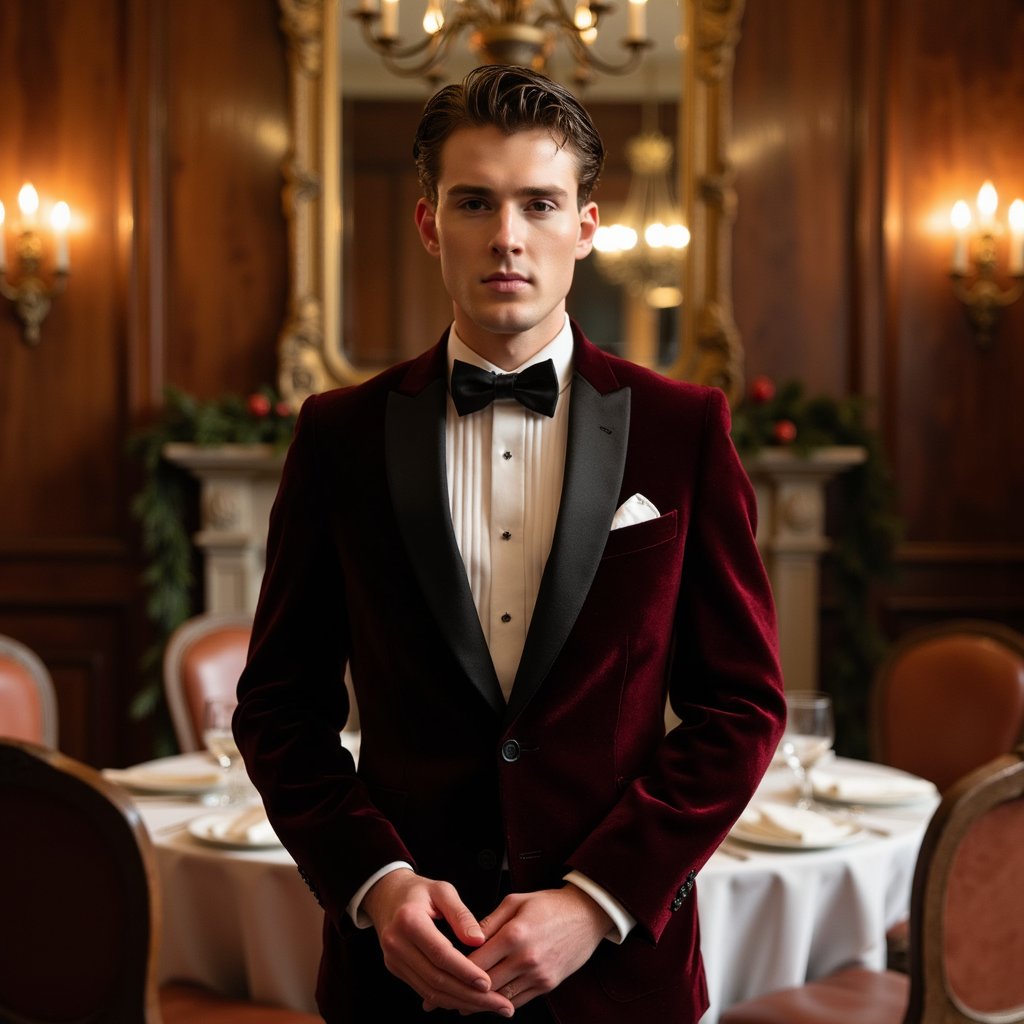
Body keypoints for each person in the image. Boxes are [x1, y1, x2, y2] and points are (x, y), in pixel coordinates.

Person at [234, 64, 786, 1024]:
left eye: (539, 203)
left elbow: (739, 705)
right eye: (474, 202)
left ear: (586, 225)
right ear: (427, 224)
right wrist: (377, 883)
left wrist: (597, 900)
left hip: (620, 978)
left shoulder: (682, 428)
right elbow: (280, 710)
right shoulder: (339, 435)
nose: (506, 237)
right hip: (399, 980)